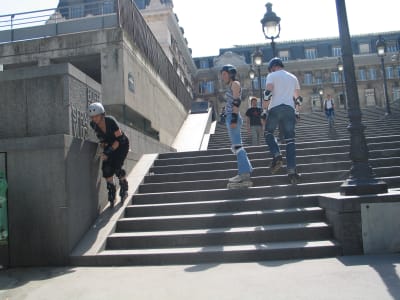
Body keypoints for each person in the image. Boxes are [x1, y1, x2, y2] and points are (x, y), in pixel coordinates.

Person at [263, 57, 302, 184]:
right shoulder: (293, 77)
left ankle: (276, 154)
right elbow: (298, 98)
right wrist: (297, 111)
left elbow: (267, 93)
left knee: (268, 133)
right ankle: (292, 171)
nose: (270, 71)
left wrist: (264, 110)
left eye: (270, 69)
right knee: (290, 140)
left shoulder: (272, 76)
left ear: (273, 67)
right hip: (289, 109)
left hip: (275, 108)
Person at [88, 102, 129, 208]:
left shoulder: (110, 121)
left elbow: (119, 140)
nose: (94, 119)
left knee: (117, 167)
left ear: (102, 114)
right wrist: (104, 148)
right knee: (106, 169)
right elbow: (102, 140)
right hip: (109, 145)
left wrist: (107, 152)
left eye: (96, 116)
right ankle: (112, 189)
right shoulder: (93, 125)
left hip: (121, 145)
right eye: (92, 117)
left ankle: (124, 186)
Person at [220, 64, 253, 188]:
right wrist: (225, 112)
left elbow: (236, 101)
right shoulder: (231, 85)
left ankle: (244, 174)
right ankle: (246, 170)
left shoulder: (235, 84)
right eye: (222, 75)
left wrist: (233, 117)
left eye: (224, 74)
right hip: (230, 116)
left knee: (238, 146)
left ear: (231, 74)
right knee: (237, 146)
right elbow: (231, 102)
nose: (222, 77)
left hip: (233, 117)